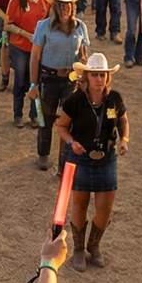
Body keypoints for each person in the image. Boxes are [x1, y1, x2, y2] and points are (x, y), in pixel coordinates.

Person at [53, 52, 128, 269]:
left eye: (102, 75)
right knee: (80, 204)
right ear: (86, 77)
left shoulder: (114, 99)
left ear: (107, 77)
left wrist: (124, 139)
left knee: (105, 209)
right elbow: (61, 126)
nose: (99, 79)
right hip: (81, 159)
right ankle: (78, 249)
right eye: (94, 75)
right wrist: (71, 142)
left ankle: (94, 246)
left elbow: (123, 120)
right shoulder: (75, 100)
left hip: (107, 158)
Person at [25, 0, 90, 170]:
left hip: (71, 79)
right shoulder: (44, 26)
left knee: (68, 121)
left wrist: (84, 79)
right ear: (55, 6)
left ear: (72, 6)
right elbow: (35, 56)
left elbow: (84, 56)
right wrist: (33, 84)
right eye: (60, 4)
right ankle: (43, 154)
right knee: (45, 118)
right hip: (49, 78)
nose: (64, 8)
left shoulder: (80, 27)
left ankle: (64, 162)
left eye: (67, 4)